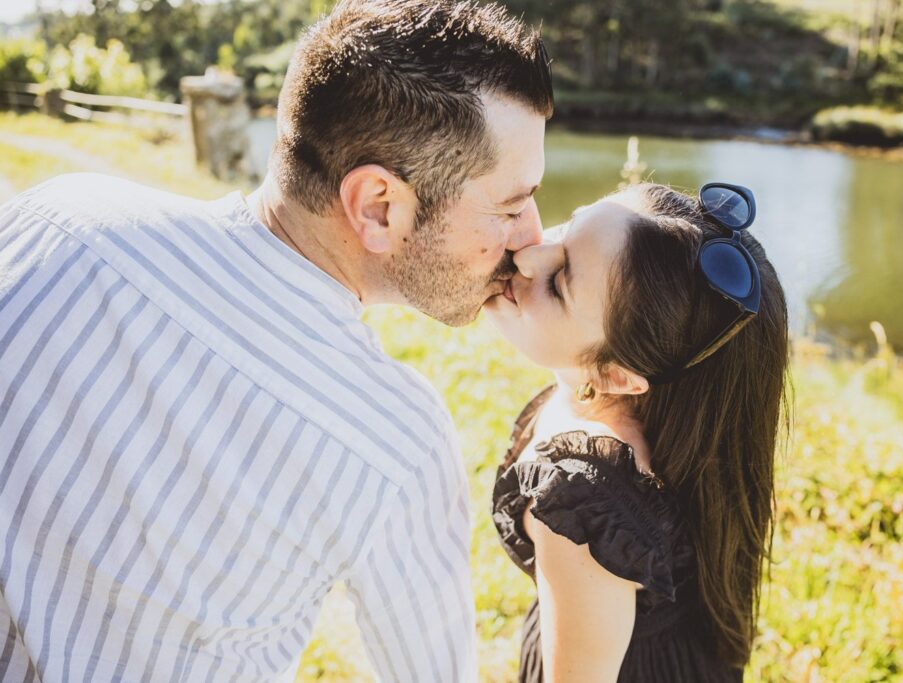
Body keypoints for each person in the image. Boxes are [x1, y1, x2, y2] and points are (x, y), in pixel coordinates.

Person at [0, 2, 551, 681]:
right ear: (379, 205)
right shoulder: (395, 442)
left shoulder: (57, 218)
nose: (533, 237)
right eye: (510, 205)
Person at [488, 182, 789, 682]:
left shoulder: (584, 503)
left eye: (560, 282)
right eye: (568, 229)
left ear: (616, 377)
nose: (530, 258)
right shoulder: (646, 407)